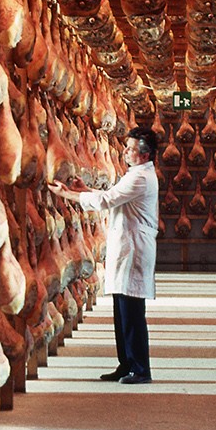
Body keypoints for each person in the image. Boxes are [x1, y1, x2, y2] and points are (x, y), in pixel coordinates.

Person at [48, 127, 159, 384]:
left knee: (131, 313)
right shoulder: (135, 174)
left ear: (144, 155)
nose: (126, 152)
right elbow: (112, 198)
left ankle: (140, 369)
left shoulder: (140, 178)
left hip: (133, 249)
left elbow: (108, 200)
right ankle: (126, 364)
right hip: (127, 247)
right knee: (122, 311)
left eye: (130, 148)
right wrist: (86, 189)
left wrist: (68, 194)